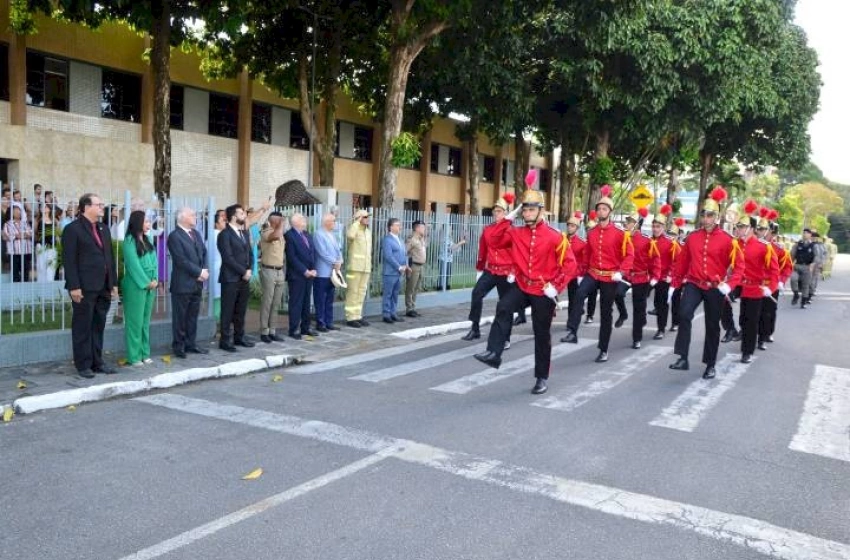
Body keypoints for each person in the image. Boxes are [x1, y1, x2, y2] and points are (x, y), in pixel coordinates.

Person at [473, 187, 578, 395]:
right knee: (503, 306)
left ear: (541, 211)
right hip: (522, 284)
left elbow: (570, 265)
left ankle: (541, 377)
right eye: (525, 210)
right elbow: (493, 239)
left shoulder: (555, 237)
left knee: (541, 335)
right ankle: (494, 352)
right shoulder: (516, 232)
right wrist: (508, 217)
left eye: (531, 210)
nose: (527, 214)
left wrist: (555, 286)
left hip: (543, 290)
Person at [668, 186, 745, 379]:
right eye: (704, 214)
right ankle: (682, 357)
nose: (706, 219)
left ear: (717, 217)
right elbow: (682, 262)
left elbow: (739, 267)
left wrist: (730, 284)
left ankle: (710, 364)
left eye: (710, 215)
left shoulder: (729, 240)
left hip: (714, 287)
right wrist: (674, 284)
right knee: (684, 314)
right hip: (694, 283)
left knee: (712, 325)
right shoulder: (693, 237)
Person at [562, 185, 635, 363]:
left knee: (605, 313)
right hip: (593, 273)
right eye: (599, 208)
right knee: (579, 293)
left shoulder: (620, 234)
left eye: (604, 208)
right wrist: (580, 273)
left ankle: (603, 349)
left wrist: (622, 272)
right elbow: (587, 254)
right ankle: (572, 331)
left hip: (611, 276)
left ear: (610, 212)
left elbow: (629, 254)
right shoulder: (592, 232)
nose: (601, 211)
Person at [62, 193, 119, 378]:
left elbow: (109, 258)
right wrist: (74, 286)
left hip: (103, 286)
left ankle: (97, 361)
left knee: (98, 325)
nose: (102, 207)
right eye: (99, 204)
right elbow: (69, 261)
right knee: (82, 326)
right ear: (86, 207)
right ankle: (83, 364)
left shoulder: (103, 228)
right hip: (84, 287)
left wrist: (113, 283)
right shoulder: (73, 229)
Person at [462, 194, 516, 342]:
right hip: (491, 270)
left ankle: (506, 337)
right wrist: (479, 268)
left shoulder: (512, 230)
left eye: (499, 211)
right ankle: (475, 328)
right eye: (494, 211)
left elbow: (518, 253)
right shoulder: (488, 229)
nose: (495, 214)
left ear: (506, 213)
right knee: (476, 293)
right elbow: (483, 250)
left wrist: (514, 271)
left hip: (506, 272)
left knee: (505, 304)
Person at [735, 206, 779, 363]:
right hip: (738, 284)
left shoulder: (764, 247)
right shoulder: (735, 244)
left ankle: (747, 351)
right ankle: (730, 330)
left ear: (751, 229)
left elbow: (775, 271)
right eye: (738, 226)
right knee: (721, 303)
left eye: (742, 226)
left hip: (755, 288)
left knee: (750, 320)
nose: (739, 229)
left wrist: (771, 288)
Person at [167, 206, 209, 358]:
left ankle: (191, 344)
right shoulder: (174, 236)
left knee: (192, 316)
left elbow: (203, 253)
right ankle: (179, 346)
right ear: (182, 217)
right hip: (182, 284)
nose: (195, 217)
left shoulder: (196, 234)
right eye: (192, 215)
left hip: (197, 283)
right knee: (180, 317)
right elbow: (180, 260)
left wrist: (203, 270)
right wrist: (198, 272)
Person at [122, 210, 158, 366]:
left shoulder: (148, 239)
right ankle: (134, 356)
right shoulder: (129, 241)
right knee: (134, 321)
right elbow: (133, 265)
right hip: (136, 285)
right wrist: (145, 282)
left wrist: (155, 279)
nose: (149, 224)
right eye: (146, 222)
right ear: (138, 223)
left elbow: (155, 260)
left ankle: (145, 352)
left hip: (151, 285)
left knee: (145, 321)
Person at [217, 204, 256, 351]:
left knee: (241, 309)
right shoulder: (224, 235)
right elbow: (228, 257)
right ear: (233, 216)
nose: (244, 215)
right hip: (230, 278)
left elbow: (250, 254)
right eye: (241, 213)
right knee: (227, 310)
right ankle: (225, 340)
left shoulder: (244, 233)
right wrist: (243, 271)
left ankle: (239, 337)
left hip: (244, 278)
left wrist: (250, 269)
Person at [621, 208, 660, 349]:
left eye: (630, 222)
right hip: (625, 276)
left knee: (639, 308)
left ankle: (636, 338)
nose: (626, 224)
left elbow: (655, 259)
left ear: (637, 225)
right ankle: (623, 314)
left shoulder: (646, 241)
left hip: (641, 278)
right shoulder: (621, 238)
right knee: (617, 294)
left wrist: (655, 277)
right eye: (626, 221)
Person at [284, 213, 319, 339]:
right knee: (296, 303)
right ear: (296, 222)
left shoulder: (306, 234)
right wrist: (305, 270)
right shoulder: (289, 235)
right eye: (302, 219)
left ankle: (305, 327)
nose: (305, 220)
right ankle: (293, 329)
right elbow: (292, 257)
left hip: (309, 274)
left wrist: (313, 268)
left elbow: (312, 253)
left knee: (306, 302)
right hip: (297, 275)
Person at [759, 217, 792, 346]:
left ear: (772, 233)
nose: (763, 232)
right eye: (761, 229)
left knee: (768, 311)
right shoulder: (756, 244)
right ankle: (750, 333)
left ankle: (765, 335)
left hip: (771, 285)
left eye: (766, 230)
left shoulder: (779, 249)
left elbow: (787, 267)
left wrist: (781, 281)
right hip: (756, 284)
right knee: (753, 311)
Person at [258, 211, 287, 343]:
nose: (282, 222)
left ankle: (272, 330)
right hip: (268, 270)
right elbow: (274, 236)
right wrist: (281, 225)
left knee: (276, 303)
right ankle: (264, 331)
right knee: (267, 302)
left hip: (279, 271)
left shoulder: (280, 234)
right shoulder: (266, 231)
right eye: (279, 220)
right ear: (273, 221)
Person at [313, 212, 343, 332]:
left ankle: (329, 321)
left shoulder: (331, 234)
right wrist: (335, 262)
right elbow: (322, 252)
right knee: (320, 299)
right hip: (322, 272)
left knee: (330, 299)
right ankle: (320, 323)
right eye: (333, 221)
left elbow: (338, 250)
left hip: (332, 272)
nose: (335, 223)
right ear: (327, 222)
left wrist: (340, 260)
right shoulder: (318, 234)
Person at [649, 205, 675, 340]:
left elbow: (675, 261)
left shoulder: (670, 243)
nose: (655, 229)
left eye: (658, 227)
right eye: (654, 226)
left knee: (661, 304)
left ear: (663, 228)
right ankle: (639, 323)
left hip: (663, 278)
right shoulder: (648, 241)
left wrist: (670, 275)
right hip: (649, 277)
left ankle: (661, 328)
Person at [344, 209, 373, 327]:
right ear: (359, 218)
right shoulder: (354, 229)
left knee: (361, 293)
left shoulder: (367, 231)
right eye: (365, 217)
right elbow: (350, 236)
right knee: (353, 292)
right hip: (355, 267)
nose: (367, 219)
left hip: (365, 267)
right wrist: (356, 222)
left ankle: (357, 315)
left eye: (367, 217)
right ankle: (350, 317)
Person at [381, 217, 410, 323]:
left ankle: (393, 313)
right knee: (388, 294)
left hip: (400, 272)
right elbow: (388, 256)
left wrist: (406, 265)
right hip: (390, 272)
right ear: (391, 227)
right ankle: (386, 314)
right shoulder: (387, 239)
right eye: (397, 225)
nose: (400, 227)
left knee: (395, 294)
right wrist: (399, 267)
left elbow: (404, 254)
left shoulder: (400, 240)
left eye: (400, 225)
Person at [3, 204, 34, 282]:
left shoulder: (25, 223)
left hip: (26, 252)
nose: (19, 213)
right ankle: (16, 291)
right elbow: (7, 236)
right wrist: (18, 235)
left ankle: (25, 289)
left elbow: (31, 233)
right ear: (11, 213)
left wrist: (18, 235)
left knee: (26, 272)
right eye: (16, 211)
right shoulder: (7, 224)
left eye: (19, 211)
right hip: (14, 253)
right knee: (15, 273)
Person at [405, 219, 427, 318]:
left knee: (416, 288)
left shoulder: (421, 239)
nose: (424, 229)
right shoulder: (412, 239)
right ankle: (409, 308)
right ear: (417, 228)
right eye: (422, 227)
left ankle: (413, 307)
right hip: (413, 265)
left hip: (420, 266)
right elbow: (405, 251)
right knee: (411, 287)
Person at [790, 228, 815, 308]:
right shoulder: (798, 244)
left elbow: (817, 256)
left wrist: (812, 265)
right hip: (797, 266)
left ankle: (803, 302)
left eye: (807, 233)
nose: (805, 234)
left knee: (805, 285)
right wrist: (790, 264)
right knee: (793, 279)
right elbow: (792, 255)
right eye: (804, 233)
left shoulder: (813, 246)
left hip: (807, 267)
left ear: (810, 235)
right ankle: (796, 294)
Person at [438, 226, 466, 290]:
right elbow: (450, 249)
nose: (451, 230)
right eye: (449, 229)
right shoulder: (444, 238)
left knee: (448, 275)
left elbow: (456, 249)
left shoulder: (450, 239)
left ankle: (446, 286)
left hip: (449, 260)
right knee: (443, 275)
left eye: (451, 229)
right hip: (443, 260)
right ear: (446, 230)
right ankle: (440, 287)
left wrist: (459, 244)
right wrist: (460, 243)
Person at [211, 209, 227, 321]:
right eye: (222, 221)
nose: (225, 223)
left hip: (216, 268)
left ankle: (217, 320)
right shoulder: (219, 235)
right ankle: (217, 321)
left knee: (217, 296)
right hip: (219, 268)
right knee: (219, 297)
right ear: (216, 224)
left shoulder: (211, 235)